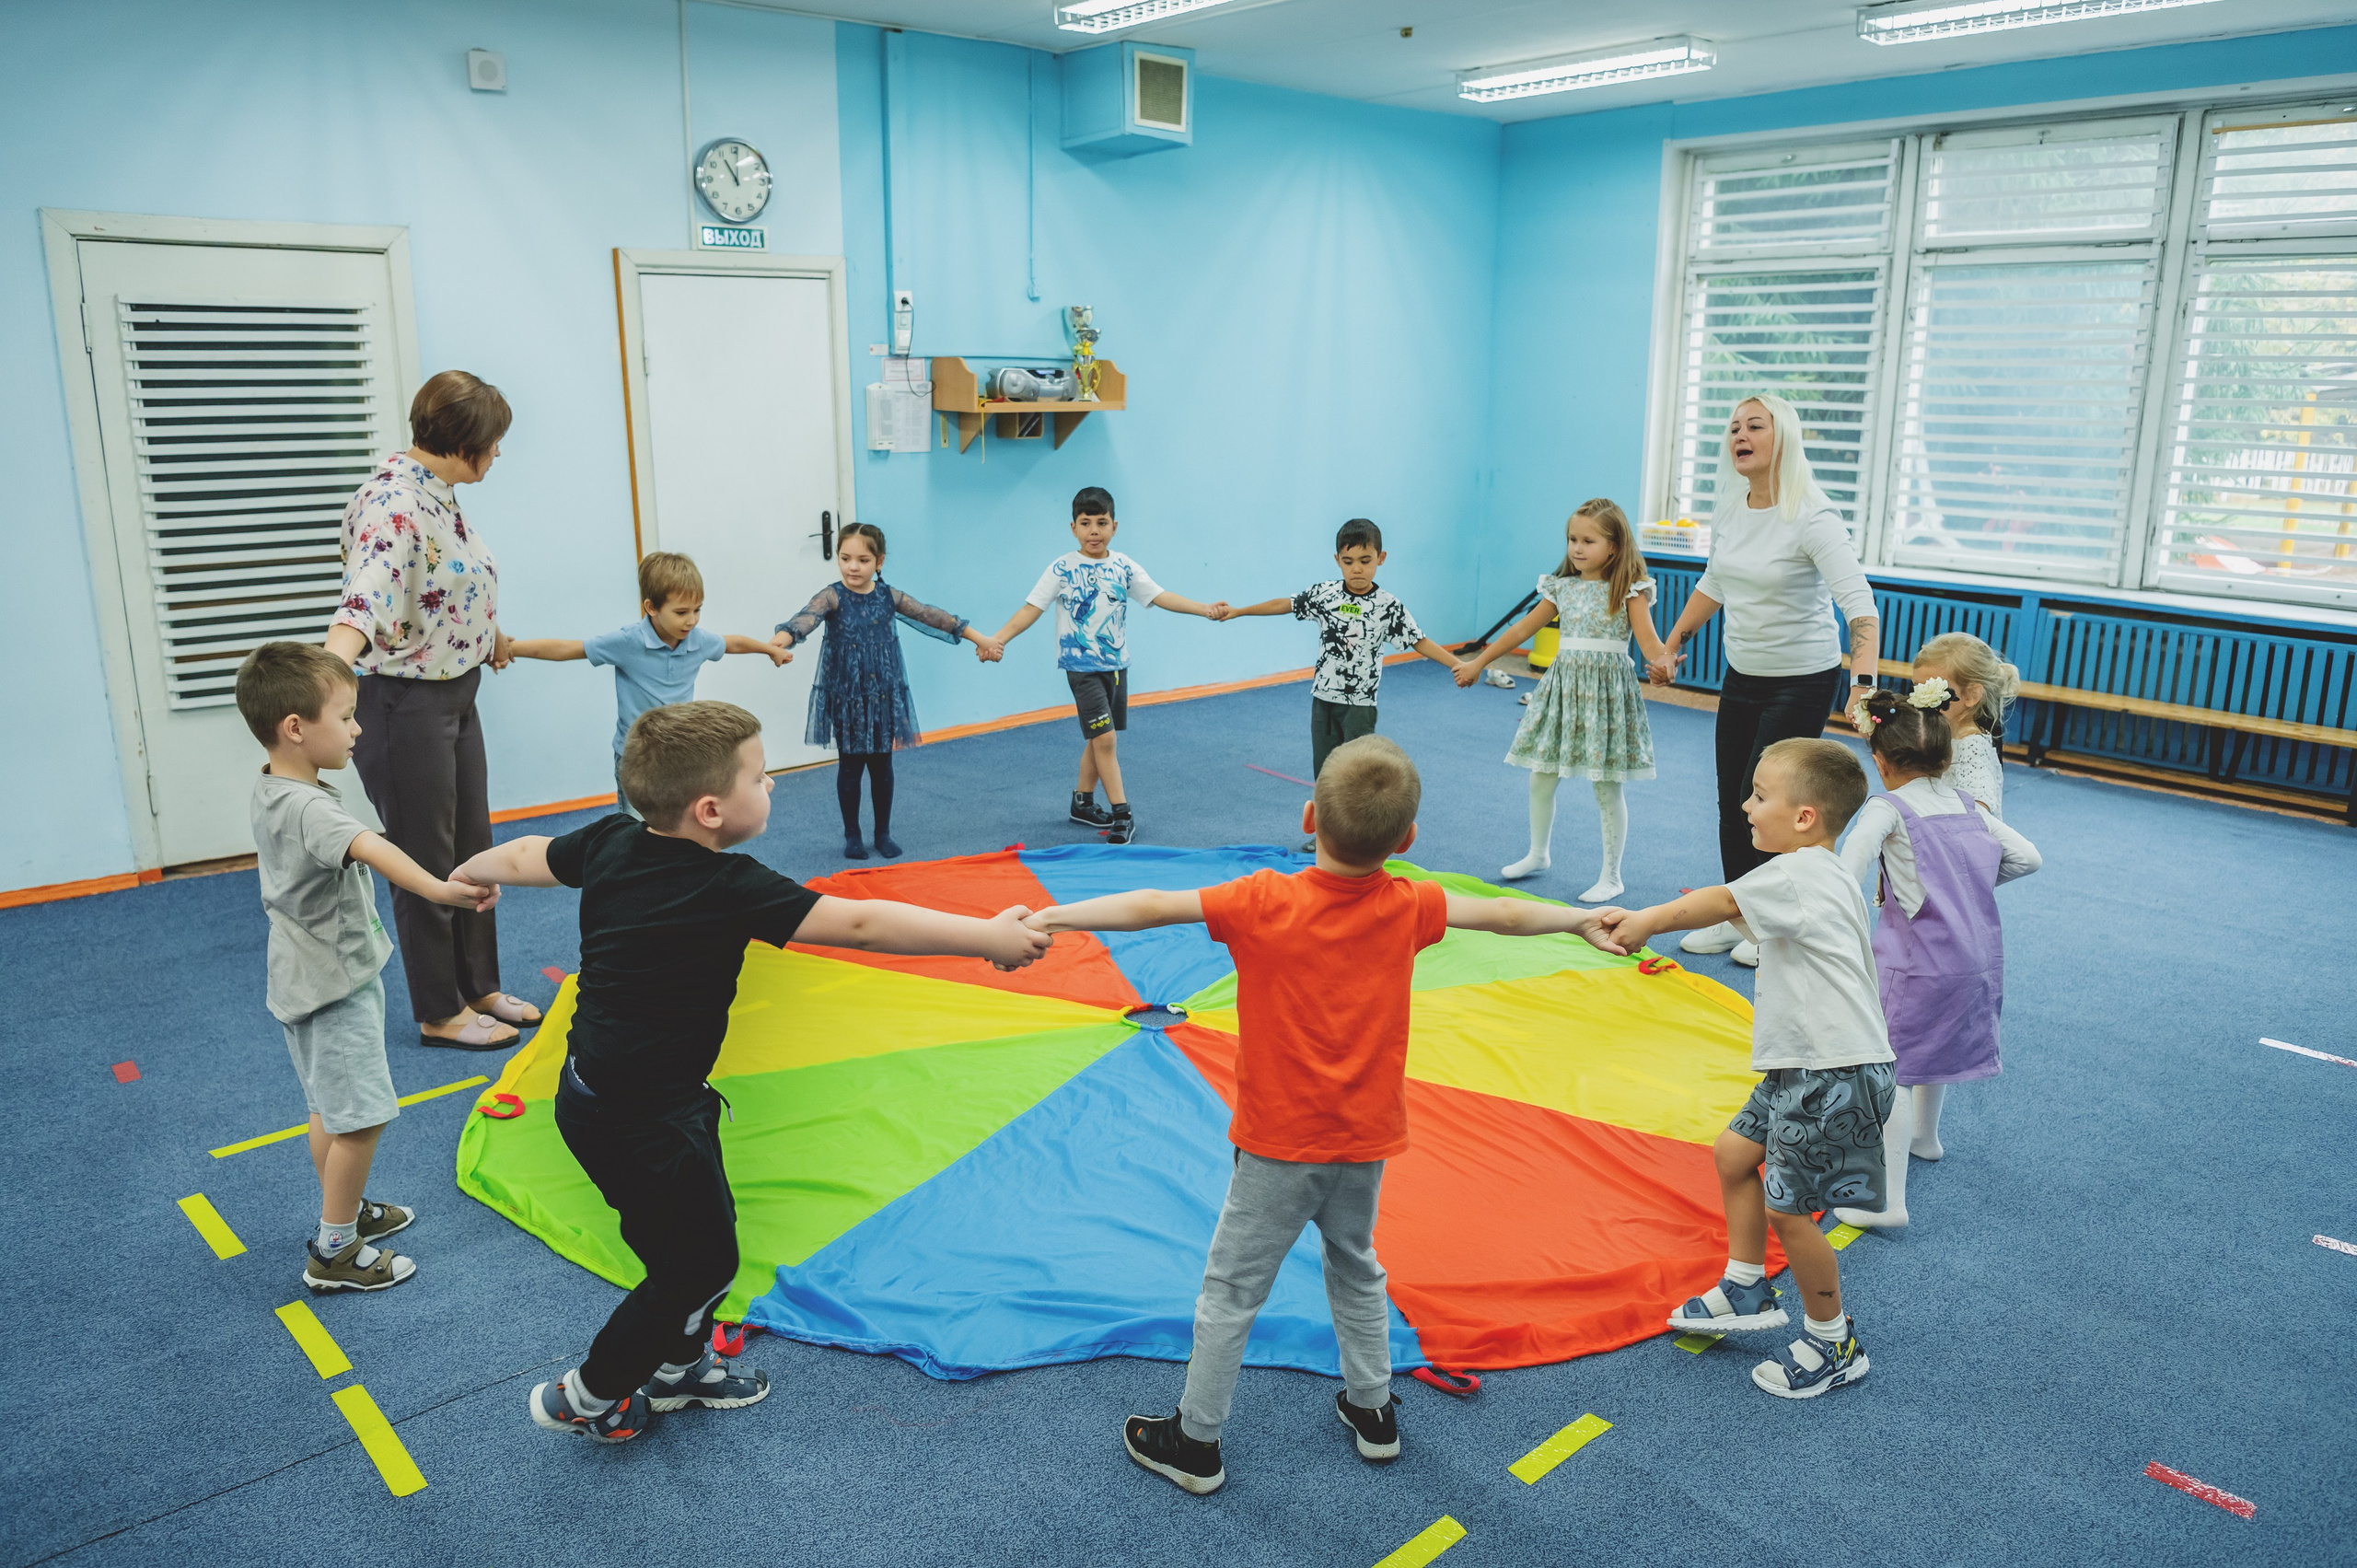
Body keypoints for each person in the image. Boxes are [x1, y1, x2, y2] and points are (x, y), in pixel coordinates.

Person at [1018, 736, 1627, 1493]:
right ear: (1406, 842)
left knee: (1231, 1290)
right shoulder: (1411, 903)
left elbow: (1150, 906)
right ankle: (1373, 1410)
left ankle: (1197, 1441)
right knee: (1356, 1265)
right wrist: (1576, 922)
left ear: (1310, 816)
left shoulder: (1263, 898)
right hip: (1363, 1140)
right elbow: (1501, 913)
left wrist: (1053, 914)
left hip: (1278, 1146)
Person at [449, 700, 1051, 1444]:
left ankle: (678, 1366)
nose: (774, 787)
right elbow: (861, 924)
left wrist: (466, 875)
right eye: (762, 778)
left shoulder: (609, 839)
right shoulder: (730, 885)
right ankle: (588, 1394)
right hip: (645, 1118)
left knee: (689, 1236)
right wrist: (985, 937)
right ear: (710, 809)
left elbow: (523, 855)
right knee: (697, 1265)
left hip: (600, 1097)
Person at [1599, 738, 1893, 1400]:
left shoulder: (1795, 874)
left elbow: (1723, 902)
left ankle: (1832, 1339)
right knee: (1735, 1154)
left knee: (1791, 1211)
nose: (1746, 806)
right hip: (1808, 1063)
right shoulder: (1821, 872)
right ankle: (1745, 1281)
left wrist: (1646, 919)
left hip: (1831, 1070)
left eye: (1761, 796)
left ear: (1806, 817)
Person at [235, 642, 497, 1294]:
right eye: (348, 716)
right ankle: (334, 1248)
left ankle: (345, 1208)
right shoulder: (312, 809)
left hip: (303, 976)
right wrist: (442, 889)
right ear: (296, 727)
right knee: (363, 1115)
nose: (358, 729)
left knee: (331, 1105)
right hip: (334, 984)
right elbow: (372, 846)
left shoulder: (273, 785)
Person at [325, 369, 540, 1051]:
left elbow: (444, 583)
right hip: (404, 704)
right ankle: (439, 1010)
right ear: (463, 443)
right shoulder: (393, 503)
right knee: (424, 857)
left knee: (473, 848)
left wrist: (486, 634)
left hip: (457, 692)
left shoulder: (439, 493)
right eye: (494, 443)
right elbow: (365, 599)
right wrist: (326, 680)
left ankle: (478, 985)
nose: (499, 455)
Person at [1651, 394, 1881, 970]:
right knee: (1736, 800)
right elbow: (1716, 582)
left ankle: (1770, 924)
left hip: (1802, 679)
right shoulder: (1732, 508)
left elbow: (1861, 608)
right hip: (1744, 675)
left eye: (1755, 425)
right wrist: (1672, 640)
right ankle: (1740, 917)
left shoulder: (1813, 515)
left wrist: (1862, 684)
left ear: (1785, 439)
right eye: (1733, 428)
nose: (1740, 435)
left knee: (1775, 802)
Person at [1831, 685, 2040, 1229]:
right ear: (1946, 760)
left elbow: (1847, 871)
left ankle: (1886, 1201)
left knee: (1895, 1065)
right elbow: (2029, 858)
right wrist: (1966, 885)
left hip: (1918, 961)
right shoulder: (1967, 805)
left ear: (1879, 762)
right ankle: (1926, 1138)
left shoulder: (1888, 807)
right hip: (1978, 959)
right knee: (1932, 1044)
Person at [989, 487, 1226, 846]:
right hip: (1080, 667)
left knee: (1098, 735)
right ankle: (1122, 814)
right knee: (1105, 739)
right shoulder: (1062, 568)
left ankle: (1082, 802)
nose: (1094, 531)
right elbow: (1030, 609)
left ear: (1115, 526)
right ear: (1073, 528)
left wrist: (1203, 607)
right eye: (1086, 524)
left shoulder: (1124, 566)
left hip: (1116, 667)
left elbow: (1160, 596)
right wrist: (999, 638)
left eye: (1102, 523)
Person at [1456, 499, 1667, 900]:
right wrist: (1479, 662)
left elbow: (1651, 645)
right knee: (1541, 774)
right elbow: (1520, 632)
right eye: (1572, 539)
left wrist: (1664, 664)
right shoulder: (1562, 588)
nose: (1577, 548)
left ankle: (1612, 875)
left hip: (1607, 694)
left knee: (1606, 786)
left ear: (1615, 546)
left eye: (1588, 540)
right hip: (1563, 689)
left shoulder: (1630, 589)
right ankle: (1538, 854)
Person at [769, 523, 1003, 860]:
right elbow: (807, 618)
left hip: (882, 696)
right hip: (847, 696)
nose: (852, 567)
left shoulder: (887, 596)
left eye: (862, 560)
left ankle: (882, 833)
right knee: (850, 766)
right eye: (845, 558)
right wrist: (783, 640)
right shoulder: (832, 596)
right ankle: (852, 835)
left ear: (878, 562)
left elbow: (929, 616)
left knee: (881, 766)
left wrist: (978, 638)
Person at [506, 552, 787, 821]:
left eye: (697, 610)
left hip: (679, 750)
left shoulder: (697, 640)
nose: (691, 620)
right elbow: (567, 648)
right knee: (636, 825)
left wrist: (768, 649)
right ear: (651, 608)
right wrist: (507, 649)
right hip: (637, 755)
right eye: (681, 612)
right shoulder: (629, 642)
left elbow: (732, 643)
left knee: (680, 819)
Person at [1216, 518, 1464, 792]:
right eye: (1348, 561)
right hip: (1323, 700)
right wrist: (1239, 611)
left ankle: (1353, 836)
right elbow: (1284, 604)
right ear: (1337, 560)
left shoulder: (1388, 607)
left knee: (1355, 775)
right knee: (1323, 777)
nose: (1357, 569)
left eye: (1365, 560)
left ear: (1381, 558)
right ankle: (1323, 834)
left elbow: (1419, 641)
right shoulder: (1325, 594)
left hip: (1359, 706)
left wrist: (1459, 664)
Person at [1911, 632, 2019, 818]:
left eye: (1934, 693)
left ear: (1971, 696)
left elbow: (1979, 812)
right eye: (1917, 690)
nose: (1922, 703)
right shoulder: (1945, 733)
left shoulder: (1972, 747)